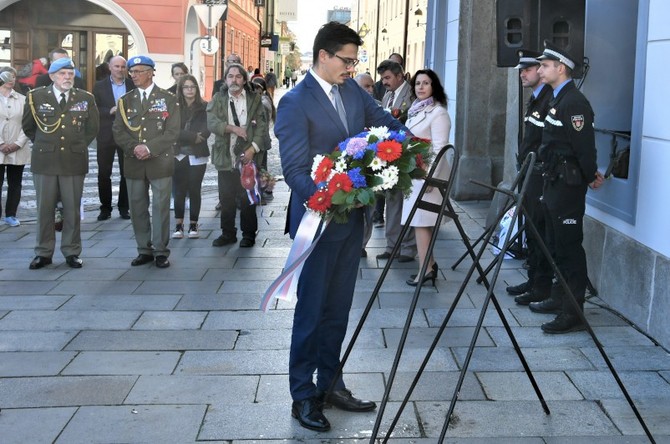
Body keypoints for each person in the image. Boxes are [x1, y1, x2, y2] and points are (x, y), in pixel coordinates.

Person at [274, 21, 409, 433]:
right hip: (317, 220)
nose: (352, 68)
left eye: (355, 61)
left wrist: (403, 148)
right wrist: (323, 197)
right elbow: (294, 169)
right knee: (311, 311)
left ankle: (331, 383)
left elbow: (387, 124)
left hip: (353, 222)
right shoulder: (295, 102)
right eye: (346, 60)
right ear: (323, 56)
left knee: (337, 308)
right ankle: (302, 395)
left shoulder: (352, 90)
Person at [531, 41, 604, 334]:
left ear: (560, 68)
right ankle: (558, 298)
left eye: (545, 66)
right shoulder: (558, 98)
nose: (540, 70)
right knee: (555, 245)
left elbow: (584, 148)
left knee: (569, 249)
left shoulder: (574, 103)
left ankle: (573, 312)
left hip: (567, 187)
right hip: (554, 183)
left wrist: (590, 176)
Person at [22, 57, 99, 269]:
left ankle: (72, 251)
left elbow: (92, 128)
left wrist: (77, 144)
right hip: (45, 161)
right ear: (53, 76)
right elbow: (29, 127)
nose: (67, 78)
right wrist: (45, 144)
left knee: (72, 209)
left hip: (73, 161)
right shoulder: (35, 97)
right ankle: (43, 252)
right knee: (44, 209)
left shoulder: (85, 98)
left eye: (70, 74)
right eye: (63, 74)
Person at [112, 55, 179, 269]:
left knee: (160, 208)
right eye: (132, 72)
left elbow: (173, 131)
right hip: (134, 161)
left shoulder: (168, 99)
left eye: (138, 71)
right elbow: (118, 131)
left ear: (151, 72)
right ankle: (144, 249)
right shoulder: (125, 100)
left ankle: (160, 250)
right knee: (138, 207)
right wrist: (135, 148)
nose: (133, 75)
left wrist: (149, 148)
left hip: (159, 161)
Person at [504, 50, 555, 305]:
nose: (522, 73)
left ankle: (542, 285)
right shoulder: (536, 98)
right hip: (528, 172)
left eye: (528, 69)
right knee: (531, 230)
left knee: (539, 229)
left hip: (539, 174)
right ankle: (534, 279)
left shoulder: (549, 99)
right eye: (521, 70)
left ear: (541, 71)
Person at [207, 63, 267, 248]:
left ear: (244, 79)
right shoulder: (218, 98)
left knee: (247, 197)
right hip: (225, 156)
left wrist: (252, 149)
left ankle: (248, 235)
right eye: (230, 76)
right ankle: (228, 233)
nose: (234, 79)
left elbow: (262, 127)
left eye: (238, 76)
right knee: (226, 197)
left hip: (248, 156)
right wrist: (232, 128)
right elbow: (211, 122)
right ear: (225, 79)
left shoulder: (254, 99)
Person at [400, 69, 452, 286]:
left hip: (429, 175)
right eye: (417, 83)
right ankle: (429, 265)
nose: (420, 87)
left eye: (426, 83)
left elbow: (441, 148)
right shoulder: (415, 110)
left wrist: (430, 177)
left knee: (421, 223)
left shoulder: (438, 112)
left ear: (434, 86)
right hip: (415, 173)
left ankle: (425, 270)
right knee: (420, 222)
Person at [376, 59, 417, 263]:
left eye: (387, 77)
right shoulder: (387, 95)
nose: (384, 82)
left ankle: (408, 248)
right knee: (392, 200)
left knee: (405, 201)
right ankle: (392, 245)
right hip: (390, 154)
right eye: (382, 78)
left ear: (399, 76)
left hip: (406, 154)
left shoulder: (411, 95)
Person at [93, 55, 135, 221]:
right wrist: (109, 110)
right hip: (106, 134)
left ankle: (124, 208)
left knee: (127, 173)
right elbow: (94, 109)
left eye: (122, 67)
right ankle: (105, 208)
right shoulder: (99, 86)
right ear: (109, 67)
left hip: (127, 135)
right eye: (116, 66)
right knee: (104, 173)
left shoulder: (132, 85)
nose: (119, 69)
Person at [172, 74, 210, 239]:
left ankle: (193, 224)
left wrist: (192, 136)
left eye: (192, 87)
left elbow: (206, 130)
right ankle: (179, 225)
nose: (189, 90)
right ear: (181, 89)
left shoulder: (205, 106)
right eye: (186, 87)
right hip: (177, 153)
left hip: (198, 154)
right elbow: (172, 131)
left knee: (195, 189)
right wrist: (192, 136)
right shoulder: (174, 107)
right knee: (178, 190)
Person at [0, 68, 31, 227]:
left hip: (17, 147)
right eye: (7, 76)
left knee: (15, 182)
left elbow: (27, 124)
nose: (11, 79)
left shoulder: (23, 99)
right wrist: (1, 144)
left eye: (13, 76)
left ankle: (11, 215)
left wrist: (17, 143)